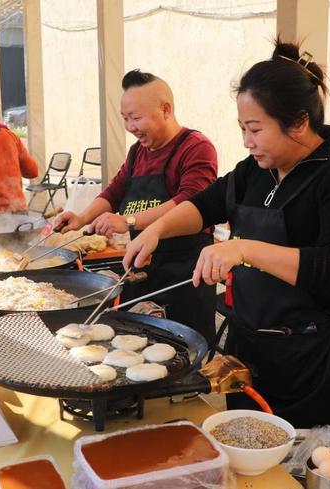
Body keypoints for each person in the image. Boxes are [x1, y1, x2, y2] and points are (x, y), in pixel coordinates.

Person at [124, 40, 330, 429]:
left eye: (255, 129)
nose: (247, 141)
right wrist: (155, 229)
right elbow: (204, 205)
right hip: (251, 348)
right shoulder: (256, 171)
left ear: (298, 122)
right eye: (242, 129)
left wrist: (244, 249)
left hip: (314, 357)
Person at [55, 69, 218, 341]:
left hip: (183, 276)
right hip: (141, 269)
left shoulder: (196, 147)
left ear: (165, 109)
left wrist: (129, 221)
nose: (130, 127)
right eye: (125, 119)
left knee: (184, 350)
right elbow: (115, 191)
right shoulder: (138, 151)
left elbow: (190, 201)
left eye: (136, 118)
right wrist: (81, 219)